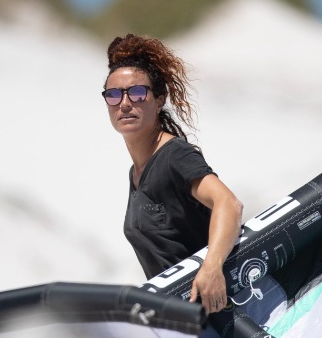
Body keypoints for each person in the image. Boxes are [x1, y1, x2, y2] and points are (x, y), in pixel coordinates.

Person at [104, 33, 243, 316]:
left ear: (158, 100)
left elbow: (228, 204)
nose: (125, 103)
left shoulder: (173, 155)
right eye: (114, 94)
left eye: (138, 92)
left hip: (218, 316)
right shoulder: (136, 173)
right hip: (178, 321)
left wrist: (212, 267)